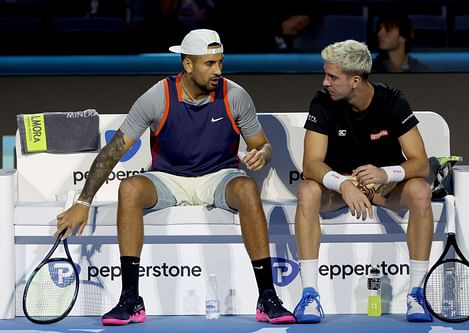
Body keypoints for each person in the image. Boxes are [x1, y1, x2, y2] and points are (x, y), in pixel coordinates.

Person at [55, 29, 296, 325]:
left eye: (220, 62)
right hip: (168, 178)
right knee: (130, 188)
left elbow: (262, 145)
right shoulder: (157, 97)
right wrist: (83, 201)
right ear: (188, 65)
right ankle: (130, 297)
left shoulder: (235, 95)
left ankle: (267, 296)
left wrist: (263, 153)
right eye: (209, 64)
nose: (218, 71)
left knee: (247, 188)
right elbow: (113, 151)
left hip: (219, 176)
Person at [292, 40, 433, 323]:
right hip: (339, 187)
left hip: (383, 188)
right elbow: (311, 165)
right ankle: (309, 295)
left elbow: (421, 163)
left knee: (420, 190)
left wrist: (386, 173)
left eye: (333, 77)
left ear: (355, 80)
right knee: (307, 190)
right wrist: (343, 184)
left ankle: (416, 293)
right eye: (326, 74)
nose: (325, 82)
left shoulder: (392, 101)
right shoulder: (322, 102)